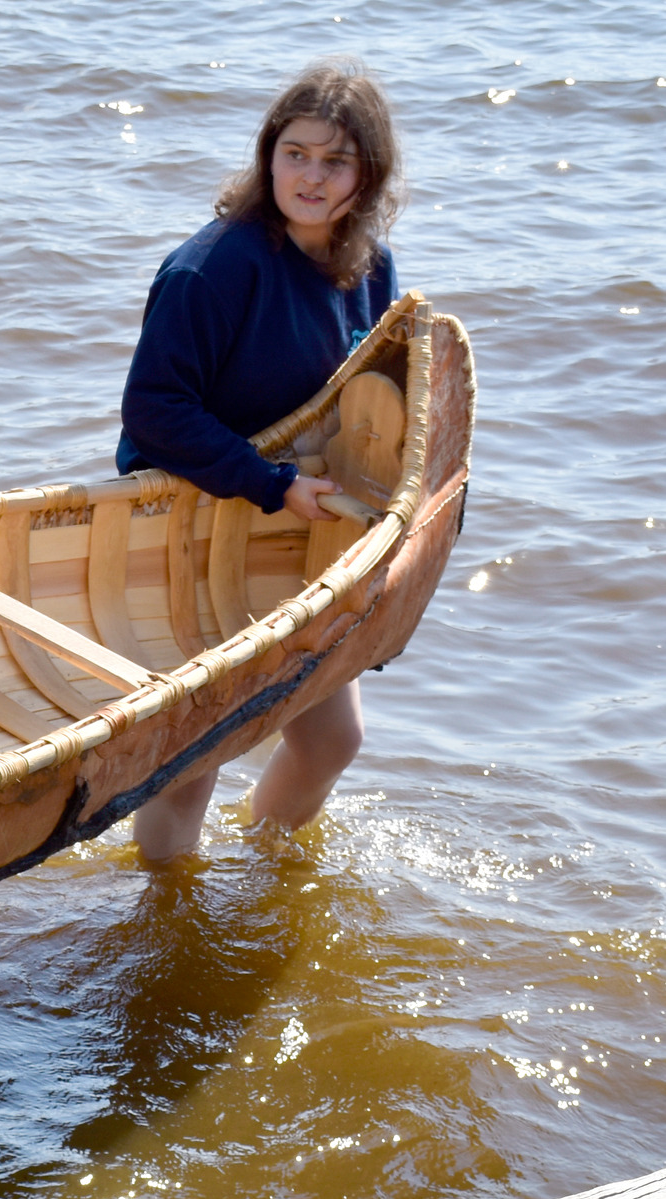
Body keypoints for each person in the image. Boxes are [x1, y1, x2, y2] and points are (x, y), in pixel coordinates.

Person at [118, 62, 403, 861]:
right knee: (191, 764)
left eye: (334, 161)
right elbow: (152, 411)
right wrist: (270, 485)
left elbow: (382, 397)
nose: (310, 177)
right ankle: (164, 916)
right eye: (295, 154)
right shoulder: (210, 270)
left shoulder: (370, 268)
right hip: (191, 522)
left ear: (368, 174)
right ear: (267, 155)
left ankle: (256, 879)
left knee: (329, 742)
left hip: (300, 527)